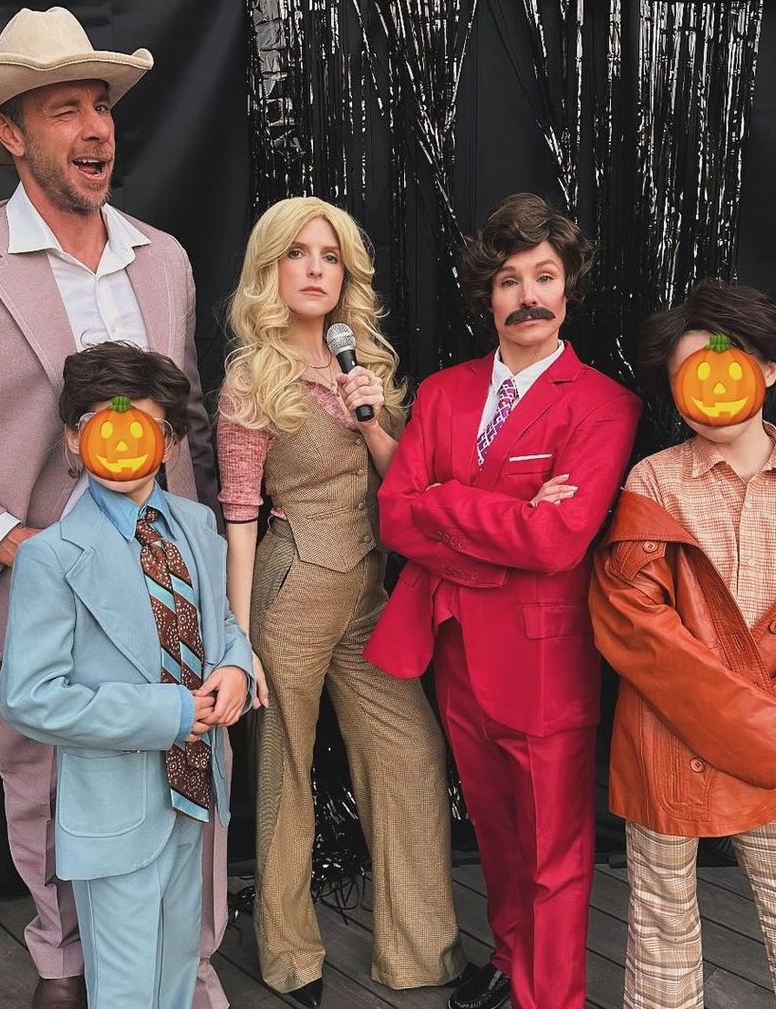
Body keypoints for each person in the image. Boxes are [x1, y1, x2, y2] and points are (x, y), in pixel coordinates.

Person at [0, 7, 222, 1009]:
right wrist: (11, 541)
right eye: (64, 108)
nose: (94, 128)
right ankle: (63, 962)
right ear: (11, 134)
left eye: (102, 105)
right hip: (36, 576)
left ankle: (184, 966)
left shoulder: (162, 258)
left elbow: (187, 420)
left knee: (183, 768)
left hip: (161, 570)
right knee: (42, 781)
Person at [365, 193, 642, 1009]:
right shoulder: (445, 393)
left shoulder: (602, 403)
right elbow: (393, 517)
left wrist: (444, 499)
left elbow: (560, 542)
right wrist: (511, 516)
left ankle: (547, 997)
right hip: (454, 650)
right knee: (492, 829)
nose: (528, 295)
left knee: (554, 850)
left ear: (568, 291)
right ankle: (513, 959)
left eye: (545, 277)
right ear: (487, 295)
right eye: (510, 279)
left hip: (545, 657)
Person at [216, 196, 466, 1008]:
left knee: (411, 758)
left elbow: (408, 492)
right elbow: (241, 515)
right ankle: (292, 959)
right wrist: (236, 637)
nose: (315, 268)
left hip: (368, 595)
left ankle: (421, 954)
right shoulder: (252, 379)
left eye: (329, 255)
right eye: (297, 254)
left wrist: (369, 420)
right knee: (287, 775)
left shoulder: (369, 370)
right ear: (270, 270)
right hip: (288, 592)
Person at [589, 281, 776, 1009]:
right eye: (686, 376)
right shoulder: (653, 480)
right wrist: (761, 724)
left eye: (726, 364)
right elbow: (637, 626)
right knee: (660, 926)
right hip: (665, 738)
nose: (708, 389)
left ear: (768, 369)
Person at [0, 341, 253, 1009]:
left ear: (167, 441)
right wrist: (167, 713)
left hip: (194, 794)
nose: (120, 444)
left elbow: (221, 624)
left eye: (142, 428)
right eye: (103, 428)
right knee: (125, 988)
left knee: (176, 968)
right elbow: (31, 698)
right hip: (117, 810)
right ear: (75, 439)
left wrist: (233, 667)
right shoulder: (51, 558)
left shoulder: (197, 526)